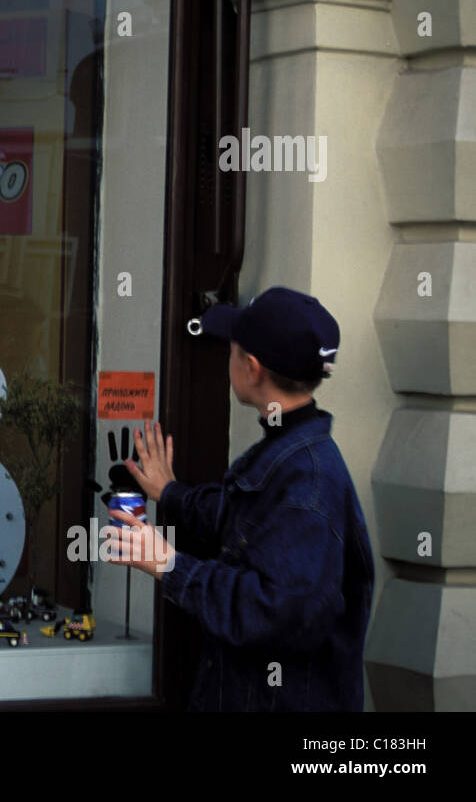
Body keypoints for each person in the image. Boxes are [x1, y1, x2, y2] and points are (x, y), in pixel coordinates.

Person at [112, 287, 374, 711]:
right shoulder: (290, 452)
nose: (227, 359)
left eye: (232, 350)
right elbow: (249, 522)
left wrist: (169, 564)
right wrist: (171, 494)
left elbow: (276, 613)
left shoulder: (307, 480)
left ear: (251, 369)